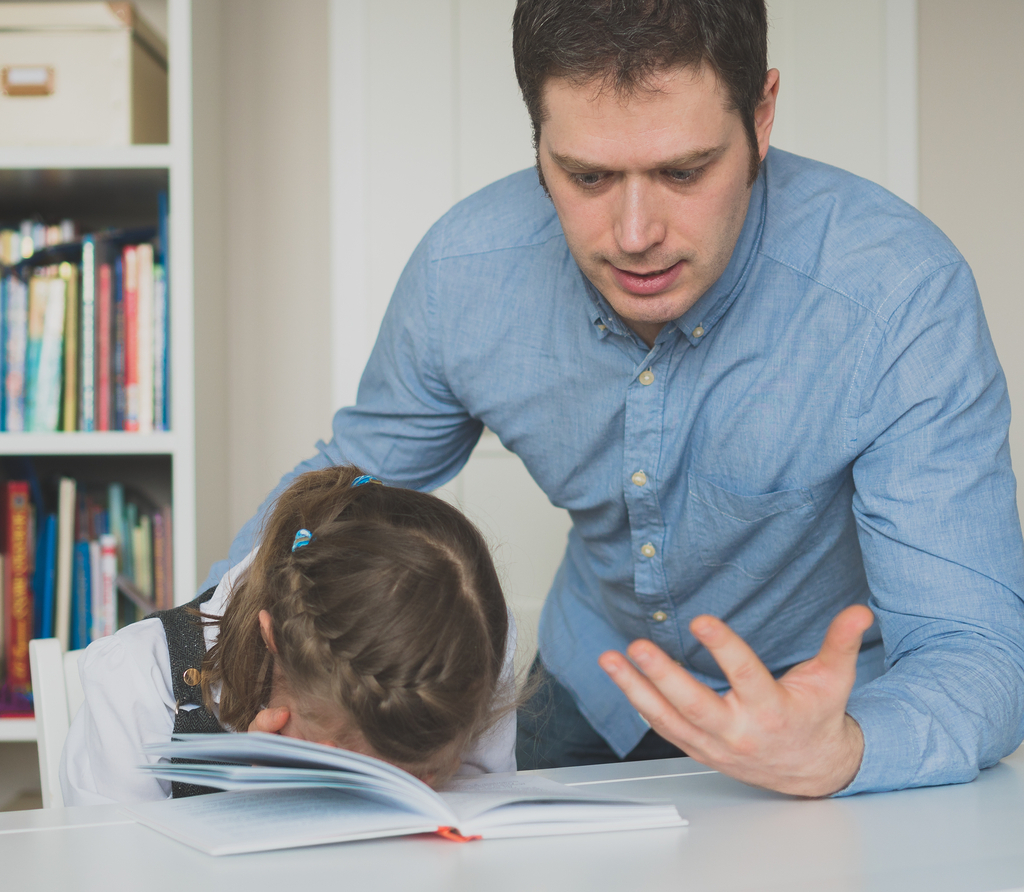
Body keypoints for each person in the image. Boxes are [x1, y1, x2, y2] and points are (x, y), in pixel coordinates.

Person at [205, 0, 1024, 797]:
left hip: (823, 707)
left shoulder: (900, 297)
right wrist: (200, 643)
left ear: (763, 114)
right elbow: (340, 493)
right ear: (537, 141)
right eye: (587, 175)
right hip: (590, 683)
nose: (635, 234)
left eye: (684, 171)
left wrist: (847, 751)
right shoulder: (463, 273)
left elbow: (975, 649)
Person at [61, 466, 516, 805]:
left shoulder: (470, 654)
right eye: (345, 768)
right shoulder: (138, 688)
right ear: (273, 636)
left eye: (425, 774)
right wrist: (251, 810)